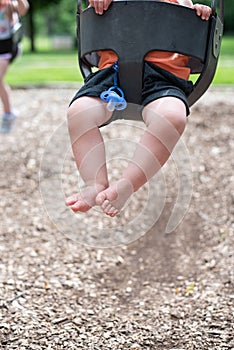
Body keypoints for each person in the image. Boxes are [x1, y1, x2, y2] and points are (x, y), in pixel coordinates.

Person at [66, 0, 211, 217]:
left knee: (172, 117)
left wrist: (200, 14)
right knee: (79, 113)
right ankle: (94, 183)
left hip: (164, 80)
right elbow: (96, 11)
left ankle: (127, 184)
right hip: (112, 78)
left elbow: (191, 26)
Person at [0, 0, 29, 134]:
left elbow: (24, 9)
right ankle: (9, 108)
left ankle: (8, 114)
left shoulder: (10, 6)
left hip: (7, 49)